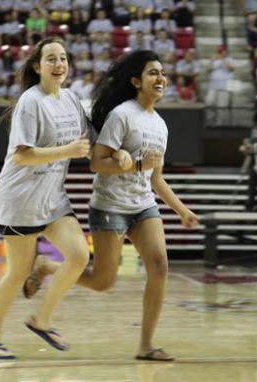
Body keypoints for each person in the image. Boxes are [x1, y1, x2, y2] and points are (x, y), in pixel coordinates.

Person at [23, 50, 200, 361]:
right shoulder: (122, 115)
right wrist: (134, 165)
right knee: (103, 282)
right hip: (110, 207)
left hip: (144, 207)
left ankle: (146, 345)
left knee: (160, 267)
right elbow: (97, 163)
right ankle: (49, 266)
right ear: (136, 81)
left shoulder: (161, 125)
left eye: (162, 73)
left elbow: (155, 179)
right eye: (152, 73)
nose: (160, 78)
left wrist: (181, 210)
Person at [0, 37, 99, 360]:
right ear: (37, 66)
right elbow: (22, 156)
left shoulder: (72, 99)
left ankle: (41, 318)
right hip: (21, 200)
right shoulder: (31, 102)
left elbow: (92, 138)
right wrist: (68, 151)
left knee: (78, 256)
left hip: (53, 198)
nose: (59, 65)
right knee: (16, 273)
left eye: (63, 58)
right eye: (51, 59)